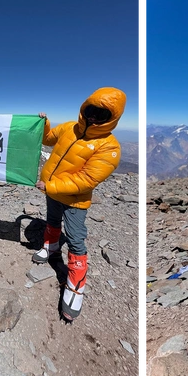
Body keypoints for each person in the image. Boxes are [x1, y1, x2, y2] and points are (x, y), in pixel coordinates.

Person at [33, 87, 126, 322]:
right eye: (91, 110)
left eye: (102, 114)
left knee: (75, 238)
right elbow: (47, 139)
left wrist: (50, 186)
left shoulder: (110, 147)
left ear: (112, 118)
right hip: (52, 190)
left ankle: (76, 286)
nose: (94, 117)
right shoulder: (69, 128)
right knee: (52, 221)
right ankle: (51, 247)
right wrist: (44, 124)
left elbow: (86, 180)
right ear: (85, 108)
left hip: (75, 201)